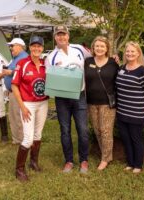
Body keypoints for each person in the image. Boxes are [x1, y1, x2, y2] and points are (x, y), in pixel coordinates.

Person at [45, 25, 91, 173]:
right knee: (65, 130)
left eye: (63, 34)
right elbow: (49, 77)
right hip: (62, 99)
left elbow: (94, 59)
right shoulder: (51, 57)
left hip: (80, 95)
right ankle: (69, 161)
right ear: (55, 37)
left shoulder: (79, 49)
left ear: (68, 36)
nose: (61, 37)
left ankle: (84, 160)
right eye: (58, 35)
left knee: (83, 130)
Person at [12, 36, 48, 182]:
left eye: (39, 46)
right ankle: (19, 169)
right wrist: (22, 106)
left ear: (42, 48)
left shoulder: (46, 63)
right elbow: (15, 85)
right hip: (28, 104)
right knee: (28, 138)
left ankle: (33, 162)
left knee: (38, 135)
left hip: (43, 103)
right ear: (30, 47)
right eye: (34, 46)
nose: (36, 49)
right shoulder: (22, 63)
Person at [116, 41, 144, 174]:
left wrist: (138, 103)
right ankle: (130, 163)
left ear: (138, 53)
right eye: (127, 51)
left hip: (137, 113)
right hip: (122, 111)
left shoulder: (143, 71)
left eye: (133, 51)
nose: (130, 53)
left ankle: (138, 164)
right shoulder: (121, 68)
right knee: (126, 139)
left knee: (135, 139)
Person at [84, 36, 119, 170]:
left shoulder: (113, 63)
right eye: (97, 46)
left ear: (107, 48)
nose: (99, 48)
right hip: (91, 102)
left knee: (105, 130)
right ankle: (104, 153)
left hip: (107, 103)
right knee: (98, 130)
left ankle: (106, 158)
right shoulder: (87, 62)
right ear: (93, 48)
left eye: (102, 46)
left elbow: (118, 82)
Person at [3, 38, 28, 144]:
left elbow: (25, 72)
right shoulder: (15, 58)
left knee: (18, 117)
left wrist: (11, 72)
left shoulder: (25, 57)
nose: (11, 48)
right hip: (12, 92)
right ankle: (17, 139)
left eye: (12, 46)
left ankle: (22, 140)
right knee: (13, 116)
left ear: (19, 46)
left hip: (19, 92)